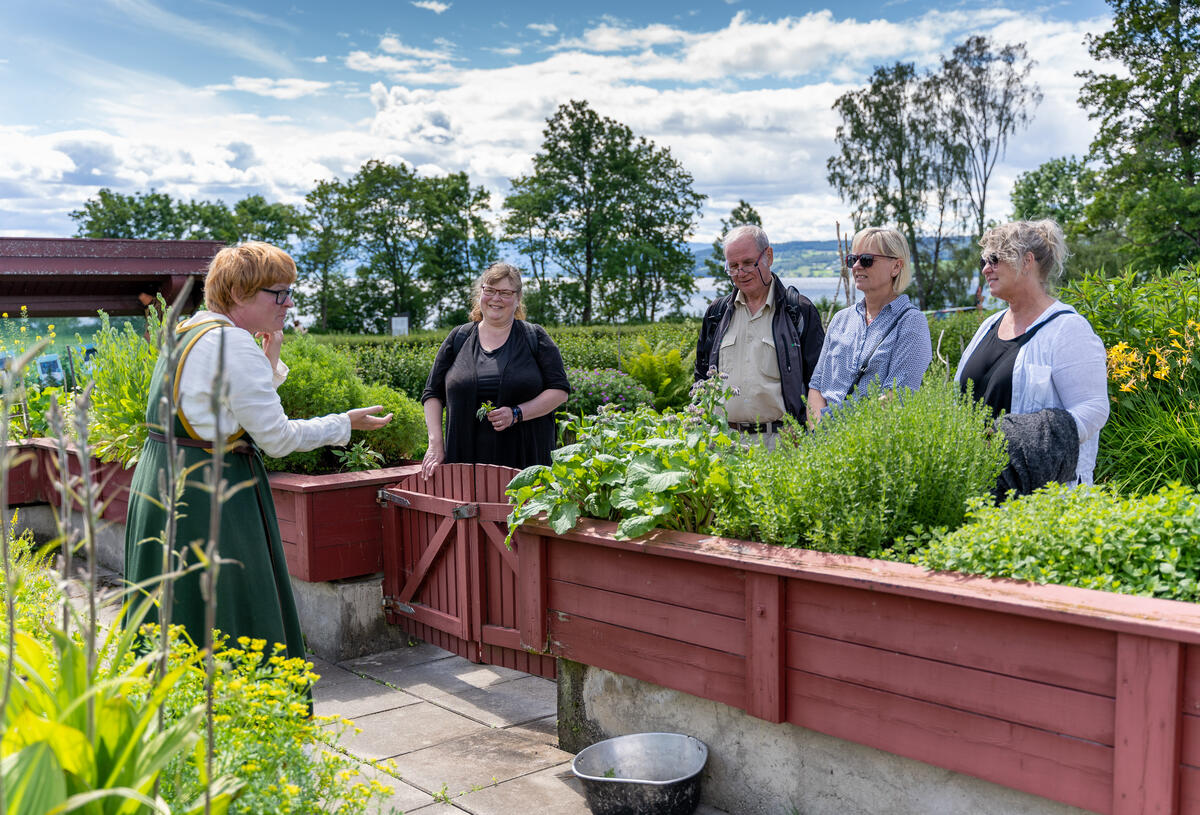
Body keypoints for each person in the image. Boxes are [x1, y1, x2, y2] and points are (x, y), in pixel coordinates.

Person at [124, 242, 392, 660]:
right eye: (278, 293)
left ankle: (171, 709)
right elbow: (277, 438)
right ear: (237, 295)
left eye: (289, 292)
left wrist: (270, 359)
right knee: (230, 607)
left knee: (175, 604)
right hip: (210, 494)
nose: (288, 304)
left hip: (162, 482)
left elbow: (222, 407)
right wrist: (344, 423)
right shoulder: (233, 344)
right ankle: (242, 711)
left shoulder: (186, 331)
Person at [955, 219, 1108, 488]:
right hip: (977, 485)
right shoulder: (988, 326)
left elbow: (1093, 409)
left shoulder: (1067, 329)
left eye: (994, 259)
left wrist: (1018, 440)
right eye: (983, 262)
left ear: (1027, 261)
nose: (986, 269)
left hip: (1040, 499)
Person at [421, 262, 570, 478]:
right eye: (489, 290)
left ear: (518, 298)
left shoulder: (534, 337)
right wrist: (435, 443)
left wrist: (517, 413)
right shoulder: (459, 338)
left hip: (525, 466)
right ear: (480, 293)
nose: (496, 298)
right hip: (464, 464)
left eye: (505, 293)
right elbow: (432, 394)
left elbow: (559, 391)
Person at [695, 224, 824, 442]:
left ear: (769, 256)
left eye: (747, 263)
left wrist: (806, 428)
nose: (740, 273)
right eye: (733, 266)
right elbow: (701, 375)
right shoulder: (716, 314)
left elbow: (818, 382)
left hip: (781, 443)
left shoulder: (798, 311)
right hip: (723, 442)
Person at [807, 227, 932, 425]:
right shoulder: (840, 320)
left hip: (871, 446)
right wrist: (817, 432)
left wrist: (840, 430)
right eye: (852, 259)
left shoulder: (911, 322)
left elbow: (898, 395)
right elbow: (817, 385)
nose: (857, 266)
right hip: (826, 445)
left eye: (866, 259)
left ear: (896, 267)